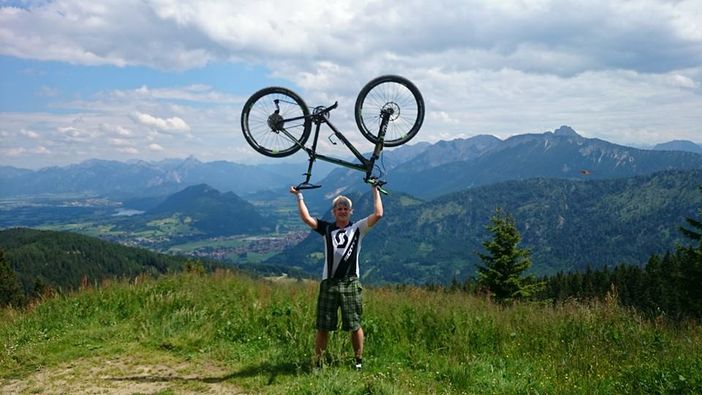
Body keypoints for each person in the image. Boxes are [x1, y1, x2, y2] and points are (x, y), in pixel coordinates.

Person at [290, 183, 384, 371]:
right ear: (333, 212)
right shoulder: (326, 228)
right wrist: (299, 196)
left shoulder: (358, 228)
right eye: (339, 208)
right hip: (329, 283)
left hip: (350, 282)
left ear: (351, 211)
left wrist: (375, 190)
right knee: (323, 326)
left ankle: (358, 361)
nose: (342, 211)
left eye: (345, 208)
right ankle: (318, 363)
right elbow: (306, 218)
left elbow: (378, 214)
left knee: (354, 325)